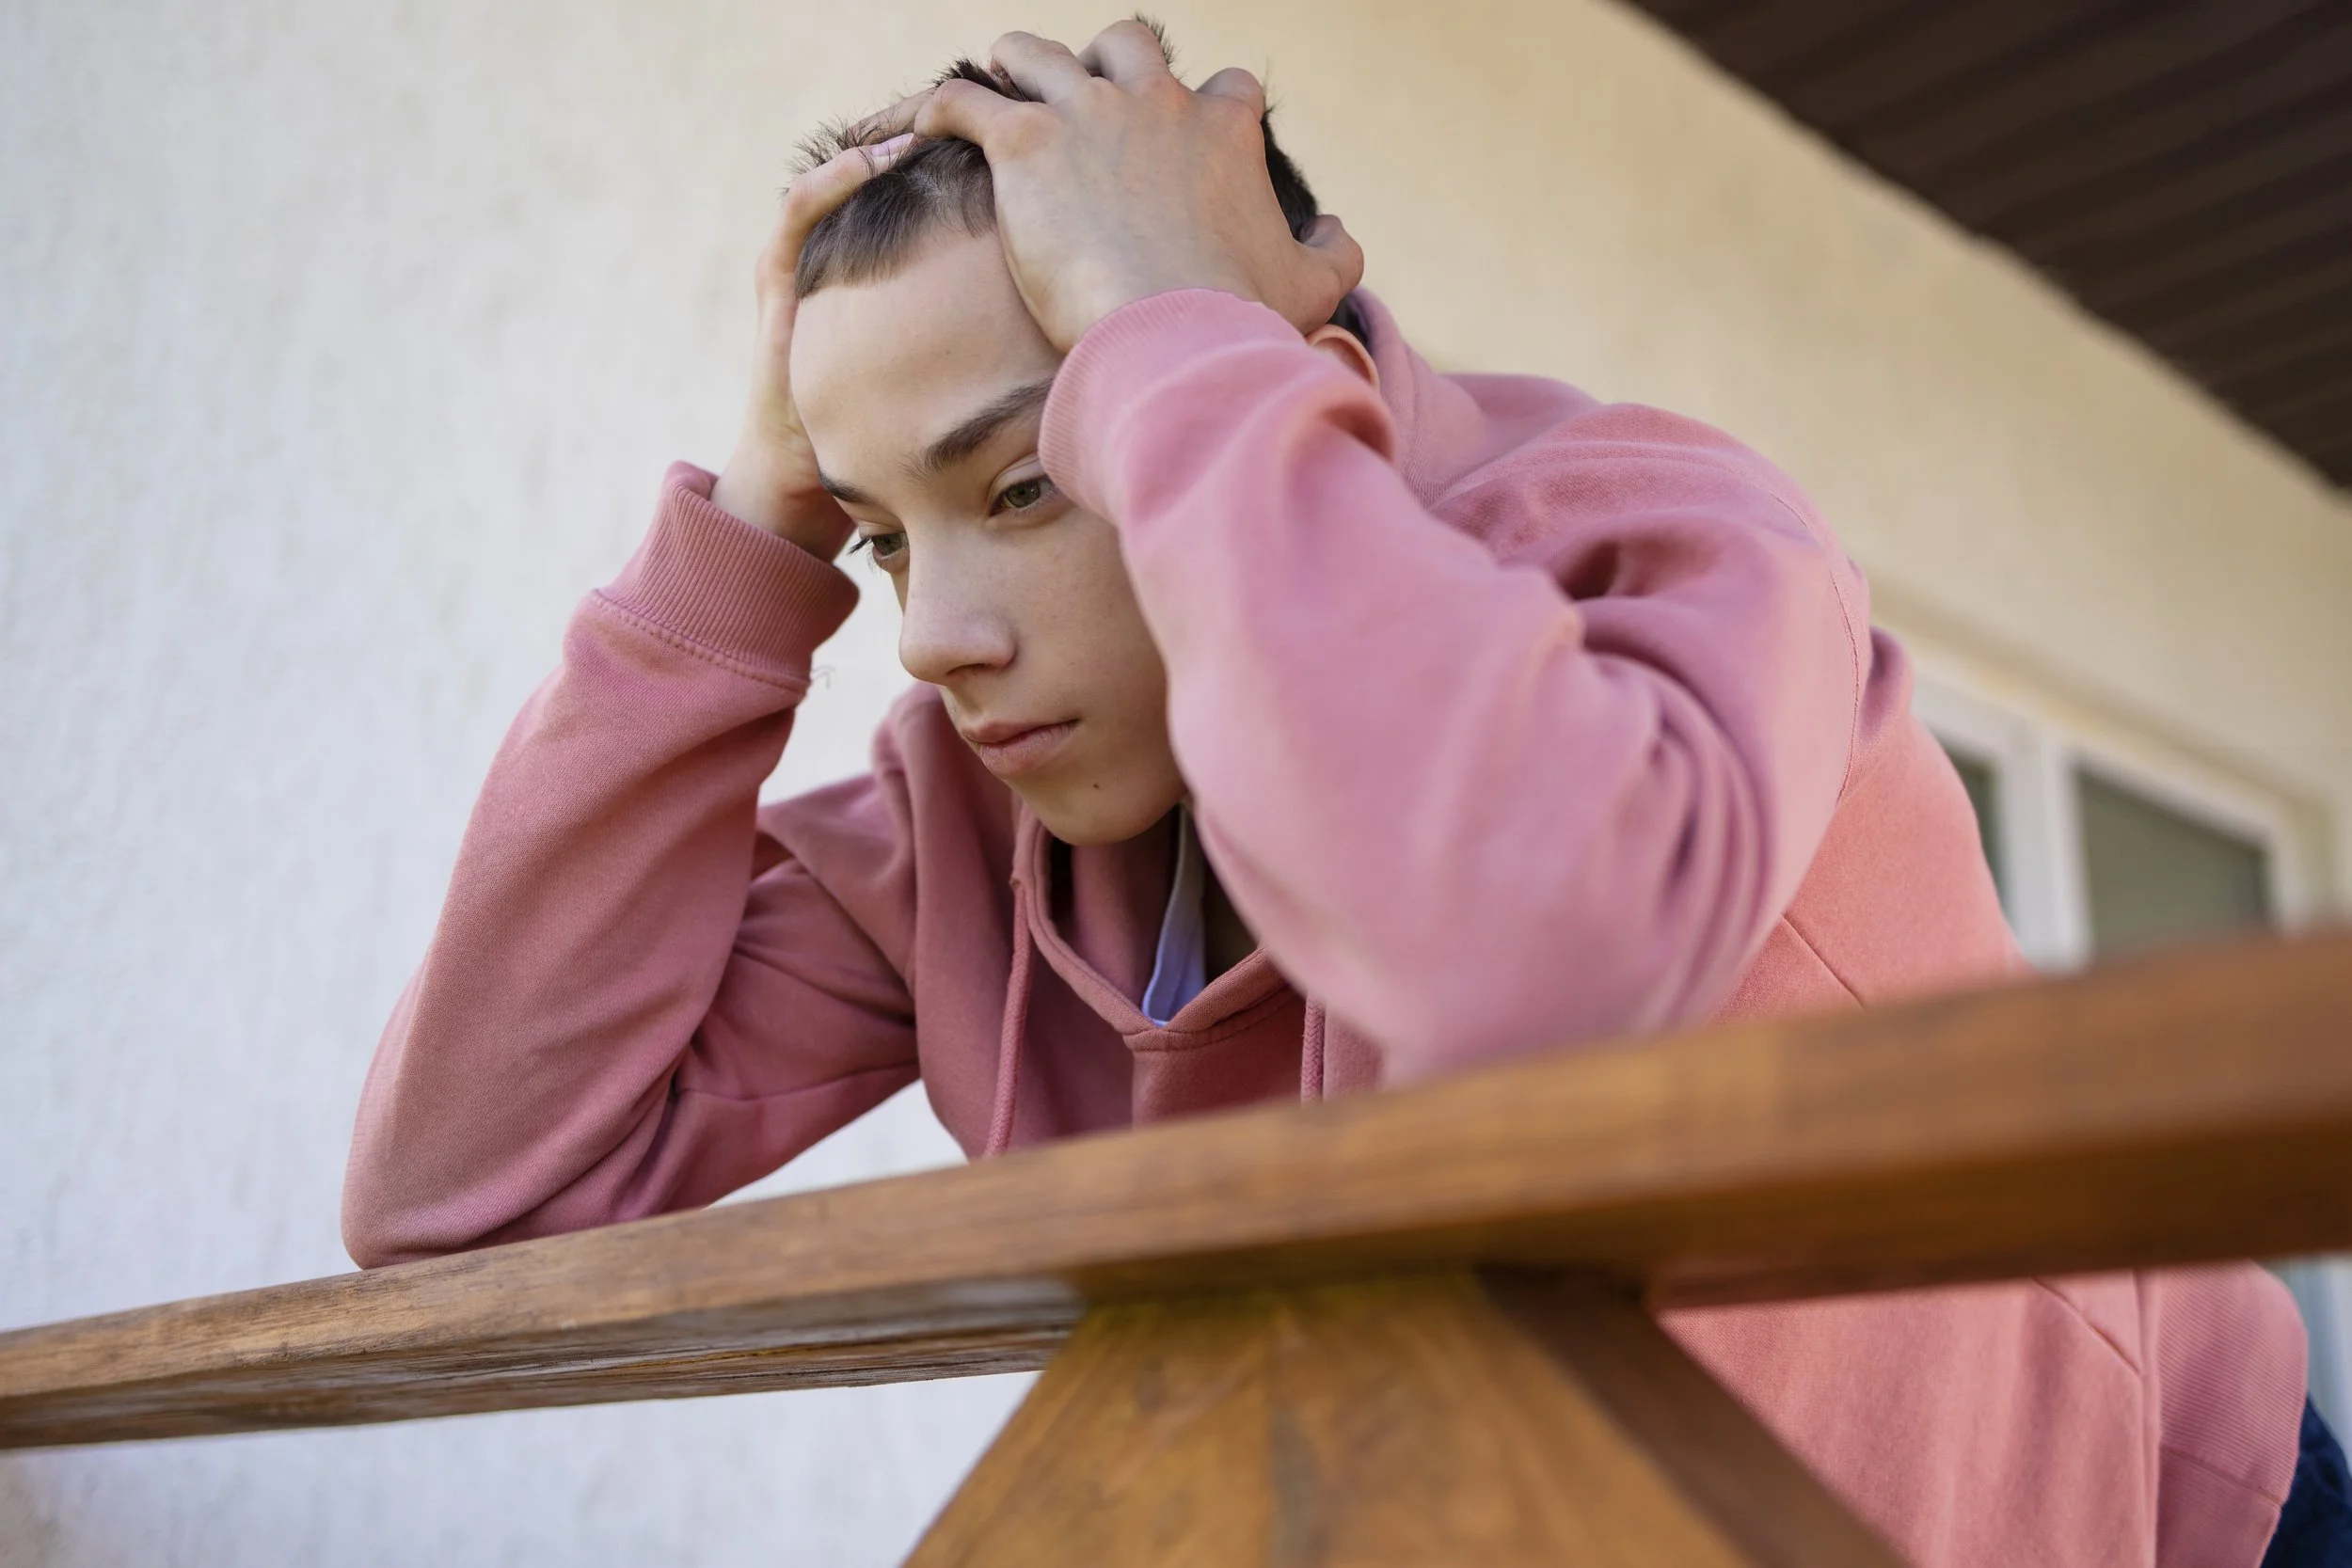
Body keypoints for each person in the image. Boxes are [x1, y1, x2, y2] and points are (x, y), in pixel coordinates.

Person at [342, 22, 2338, 1566]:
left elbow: (1522, 965)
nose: (931, 634)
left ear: (1242, 345)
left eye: (1022, 483)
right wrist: (745, 551)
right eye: (878, 533)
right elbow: (461, 1194)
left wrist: (1170, 343)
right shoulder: (970, 808)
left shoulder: (1649, 538)